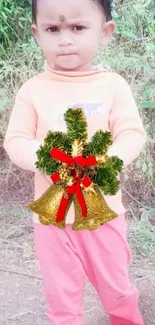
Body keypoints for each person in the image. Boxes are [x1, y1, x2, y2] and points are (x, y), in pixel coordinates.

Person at [4, 0, 146, 324]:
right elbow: (16, 141)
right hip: (51, 222)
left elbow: (131, 134)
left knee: (118, 292)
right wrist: (46, 158)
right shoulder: (31, 91)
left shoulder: (113, 86)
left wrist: (107, 162)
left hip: (103, 215)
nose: (65, 39)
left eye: (78, 28)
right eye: (53, 29)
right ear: (37, 34)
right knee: (62, 303)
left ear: (105, 32)